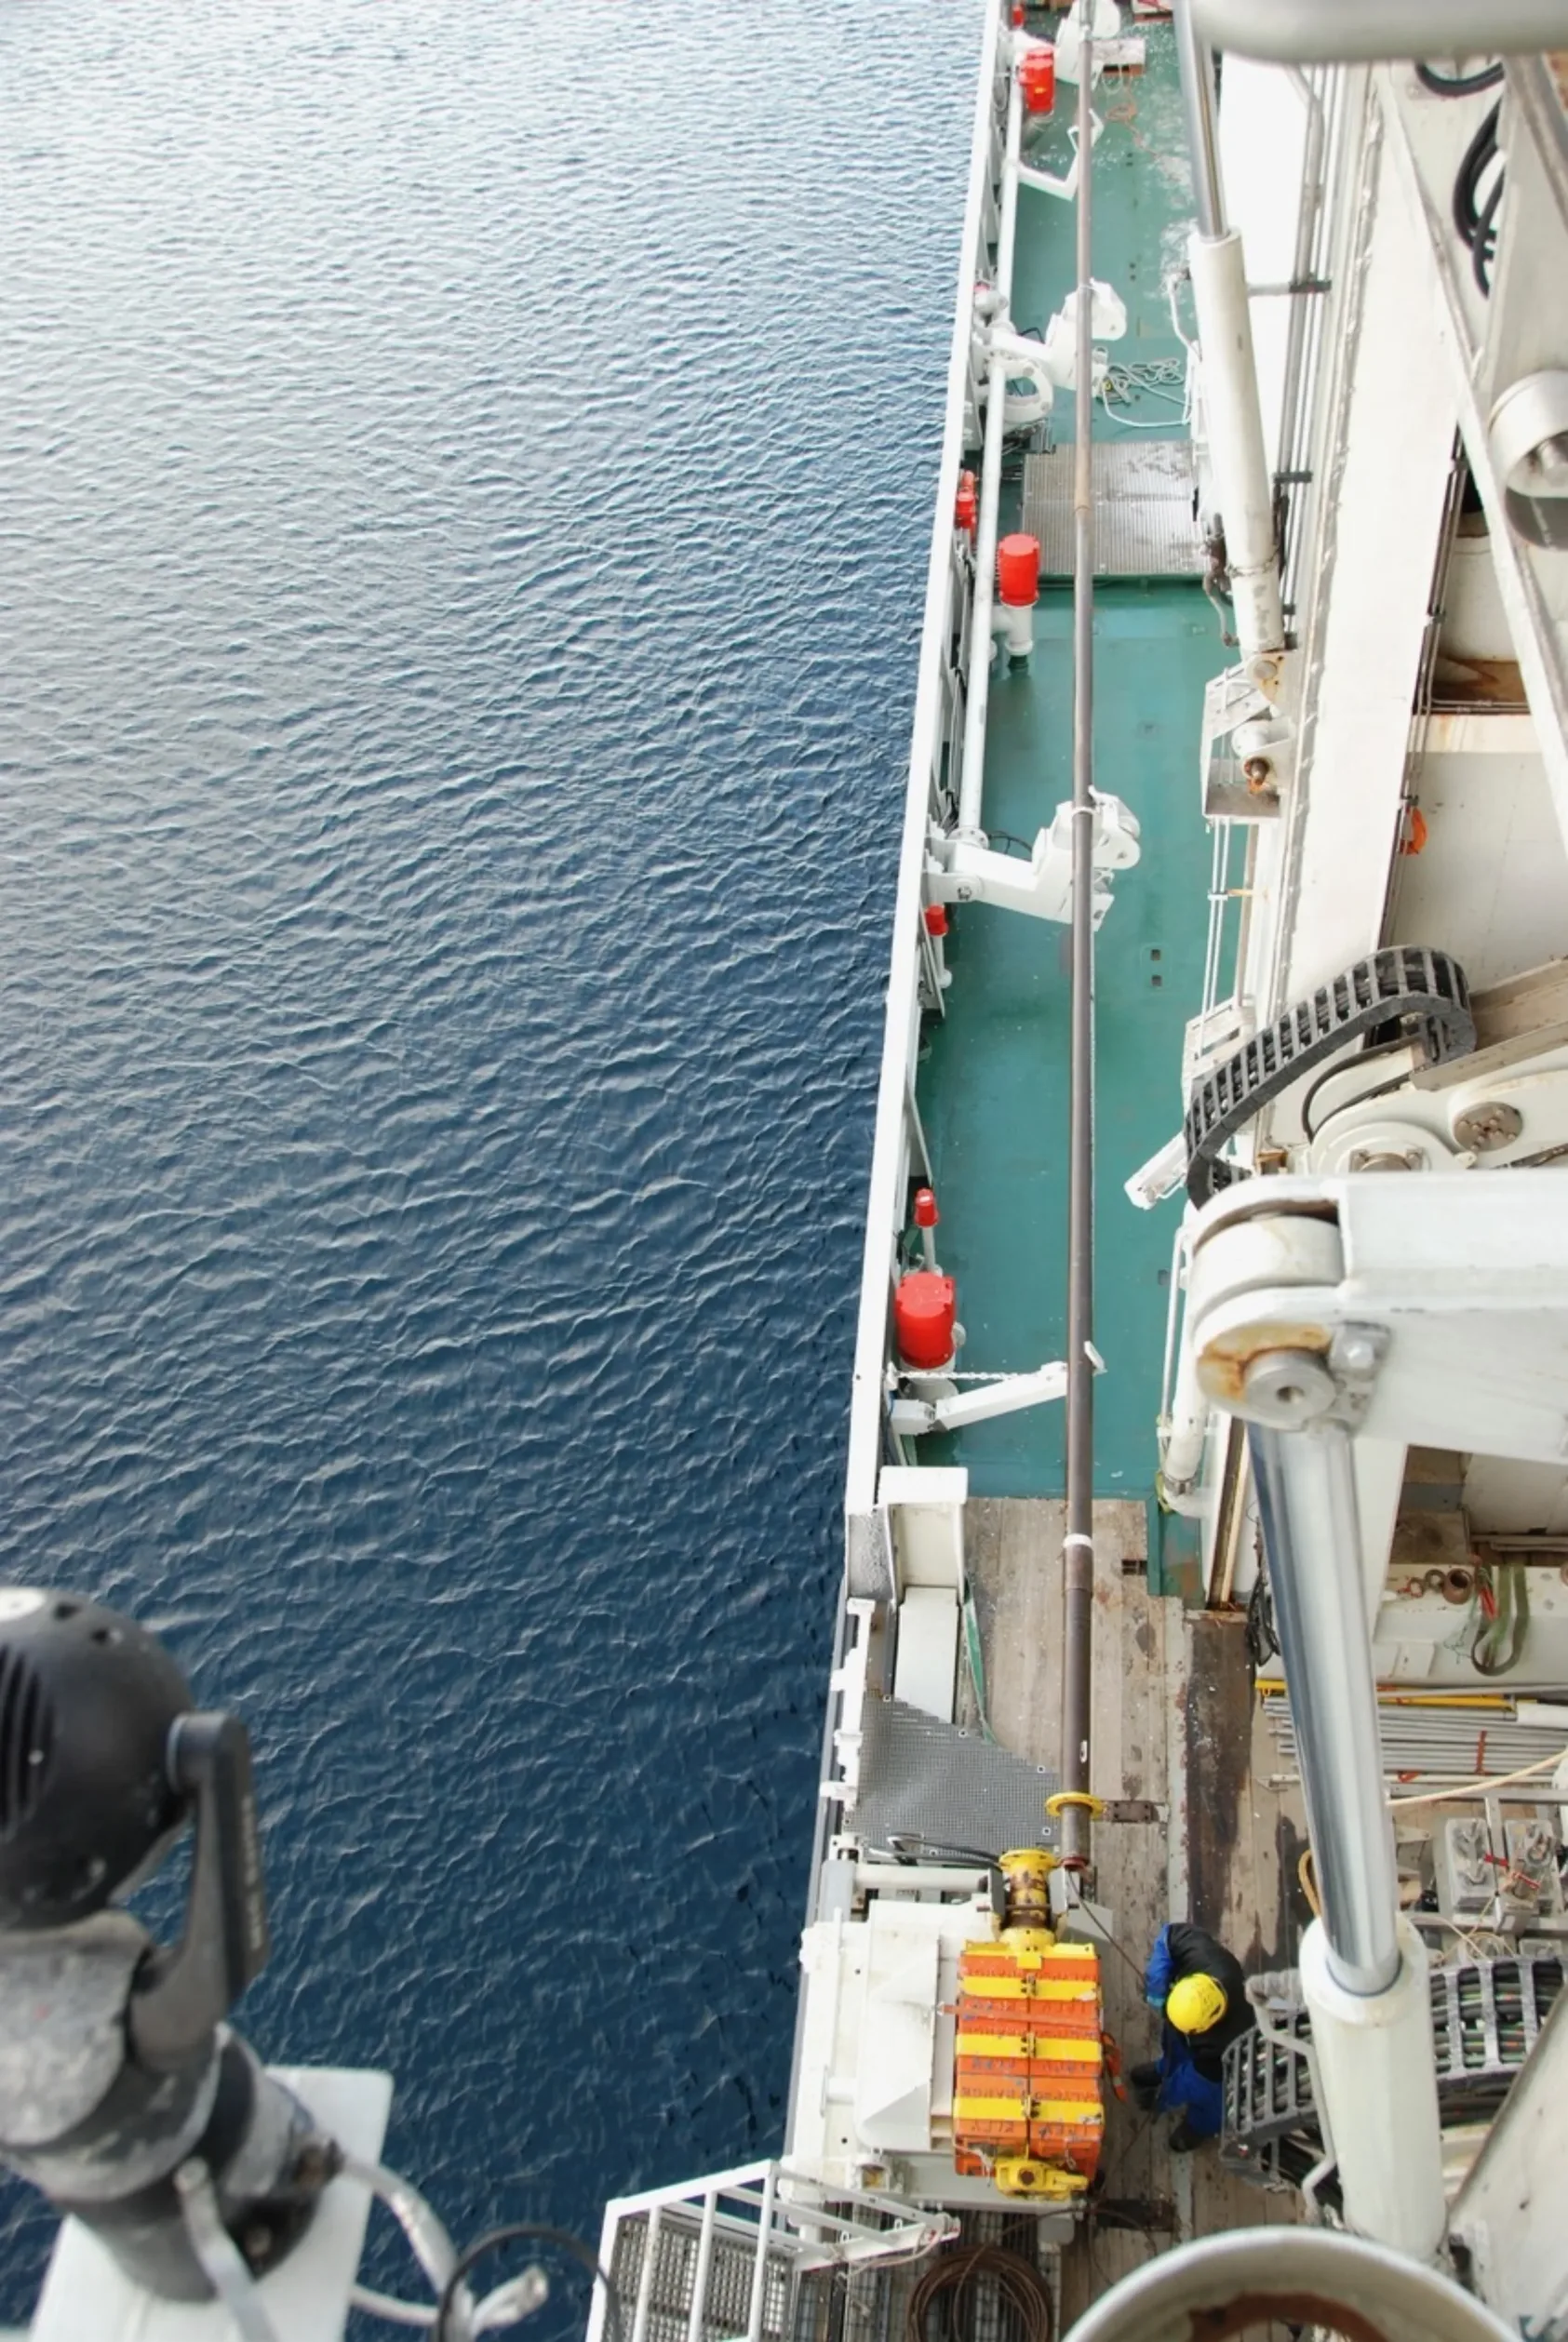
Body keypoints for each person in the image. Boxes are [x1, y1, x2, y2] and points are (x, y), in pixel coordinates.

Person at [1129, 1919, 1253, 2151]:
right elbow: (1170, 1936)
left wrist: (1164, 2097)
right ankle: (1163, 2068)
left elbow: (1195, 2082)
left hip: (1215, 2073)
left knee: (1211, 2100)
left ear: (1204, 2027)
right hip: (1192, 2033)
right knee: (1174, 2047)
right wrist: (1157, 1986)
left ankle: (1198, 2128)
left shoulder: (1229, 2042)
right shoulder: (1204, 1957)